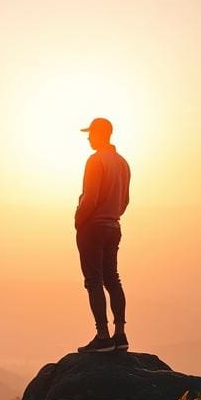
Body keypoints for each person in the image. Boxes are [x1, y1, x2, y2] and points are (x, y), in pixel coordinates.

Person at [73, 117, 130, 352]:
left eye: (90, 134)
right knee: (112, 279)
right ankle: (120, 335)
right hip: (113, 226)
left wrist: (79, 220)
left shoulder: (96, 161)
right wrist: (112, 215)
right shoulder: (122, 163)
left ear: (99, 134)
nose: (88, 138)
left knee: (94, 281)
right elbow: (125, 200)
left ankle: (102, 336)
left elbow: (91, 197)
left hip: (93, 227)